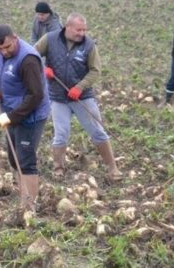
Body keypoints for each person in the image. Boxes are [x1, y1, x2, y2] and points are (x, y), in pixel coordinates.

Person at [35, 13, 123, 181]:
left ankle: (113, 168)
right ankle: (58, 168)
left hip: (82, 97)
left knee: (98, 132)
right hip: (58, 97)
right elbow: (32, 55)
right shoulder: (50, 39)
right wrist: (42, 68)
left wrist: (79, 87)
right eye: (78, 30)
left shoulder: (89, 45)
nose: (82, 33)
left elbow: (95, 71)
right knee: (61, 134)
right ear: (67, 27)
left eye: (84, 30)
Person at [0, 24, 50, 213]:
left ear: (14, 37)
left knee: (26, 160)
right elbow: (0, 73)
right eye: (0, 49)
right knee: (13, 158)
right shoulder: (1, 53)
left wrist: (11, 116)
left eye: (7, 47)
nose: (4, 52)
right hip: (11, 113)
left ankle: (29, 206)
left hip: (30, 118)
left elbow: (35, 95)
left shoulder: (28, 60)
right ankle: (23, 196)